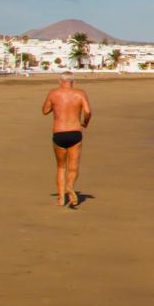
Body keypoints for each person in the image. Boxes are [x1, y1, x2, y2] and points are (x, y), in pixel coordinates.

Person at [41, 74, 92, 208]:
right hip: (75, 132)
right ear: (73, 82)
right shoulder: (80, 93)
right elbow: (88, 111)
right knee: (73, 167)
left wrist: (56, 105)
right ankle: (70, 186)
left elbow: (45, 111)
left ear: (60, 81)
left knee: (61, 167)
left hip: (59, 133)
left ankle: (61, 198)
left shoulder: (53, 93)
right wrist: (85, 122)